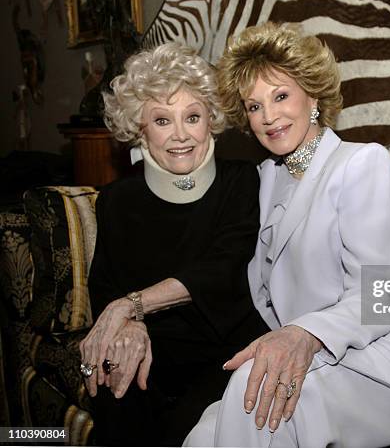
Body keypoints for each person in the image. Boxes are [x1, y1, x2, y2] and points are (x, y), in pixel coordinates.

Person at [184, 22, 390, 447]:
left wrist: (303, 334)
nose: (269, 117)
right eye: (254, 107)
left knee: (252, 396)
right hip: (331, 357)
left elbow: (385, 295)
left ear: (313, 96)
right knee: (205, 429)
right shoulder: (265, 180)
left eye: (280, 96)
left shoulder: (362, 164)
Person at [78, 42, 269, 446]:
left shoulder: (243, 181)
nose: (181, 135)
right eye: (162, 120)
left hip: (226, 353)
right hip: (150, 351)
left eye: (193, 117)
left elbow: (224, 268)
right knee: (116, 393)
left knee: (183, 428)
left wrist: (133, 305)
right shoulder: (116, 200)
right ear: (140, 129)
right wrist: (129, 326)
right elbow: (106, 286)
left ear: (210, 122)